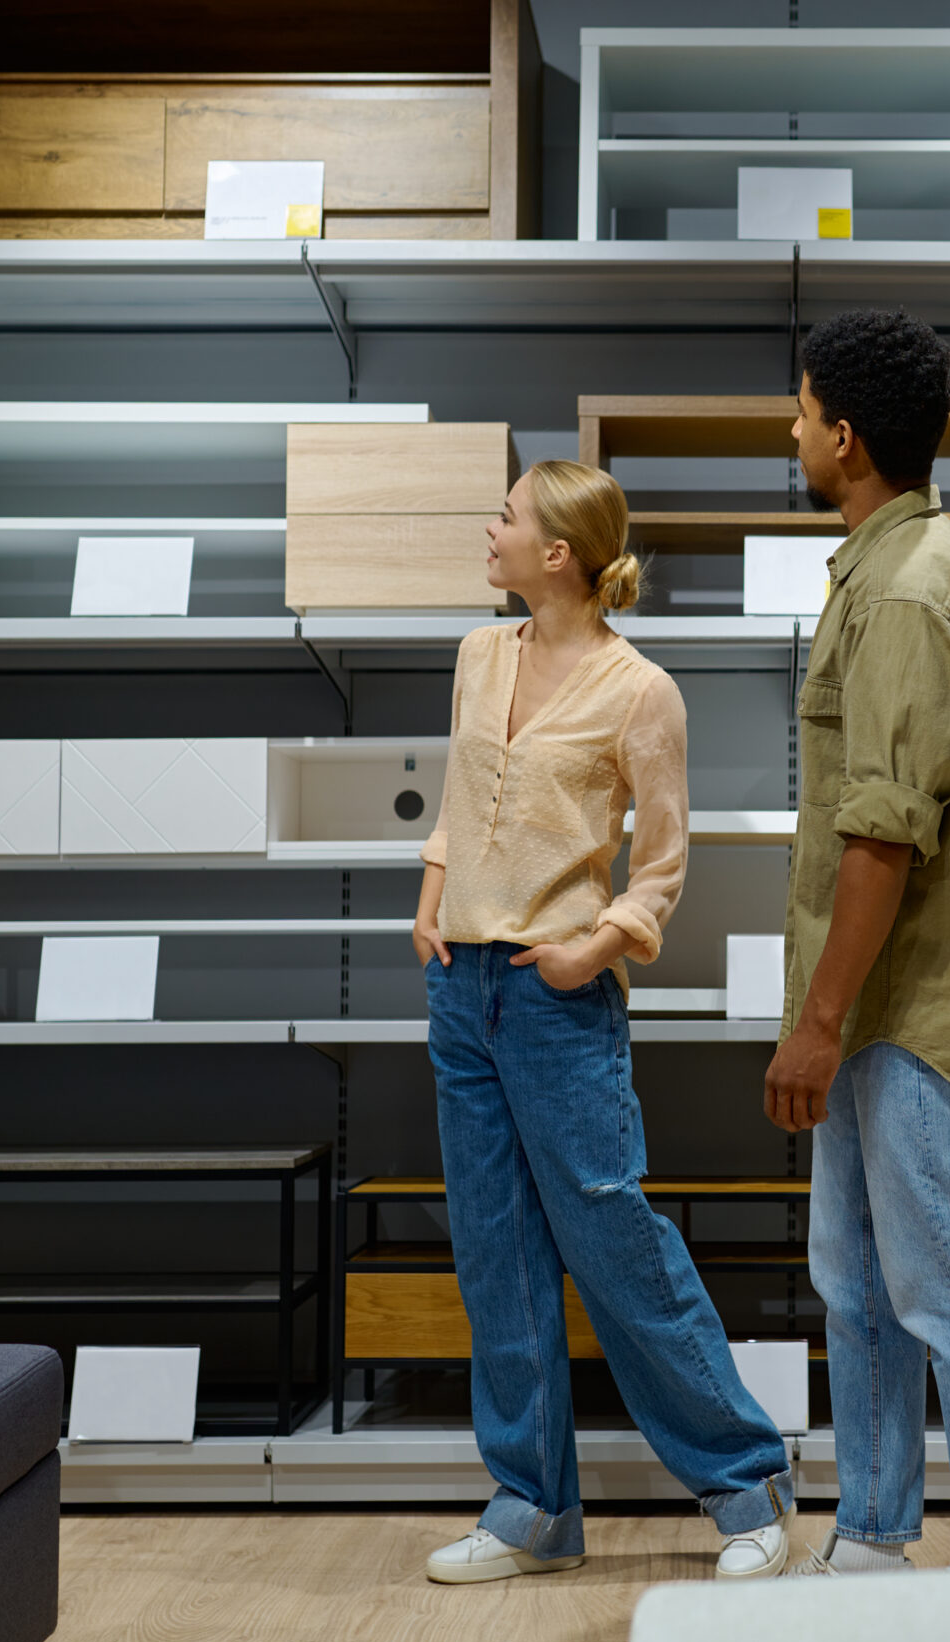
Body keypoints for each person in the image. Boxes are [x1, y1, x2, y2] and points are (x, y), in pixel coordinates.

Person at [412, 458, 798, 1585]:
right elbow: (456, 798)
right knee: (495, 1250)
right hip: (460, 989)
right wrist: (430, 898)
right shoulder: (480, 654)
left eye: (507, 517)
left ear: (557, 554)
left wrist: (599, 943)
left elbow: (665, 859)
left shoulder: (641, 689)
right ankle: (532, 1506)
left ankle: (748, 1484)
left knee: (613, 1240)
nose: (490, 530)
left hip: (555, 994)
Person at [763, 310, 950, 1572]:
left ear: (844, 434)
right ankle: (872, 1536)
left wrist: (817, 1022)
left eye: (800, 408)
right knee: (862, 1281)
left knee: (947, 1288)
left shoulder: (904, 589)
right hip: (883, 1005)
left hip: (902, 1008)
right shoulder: (938, 565)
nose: (790, 429)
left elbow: (881, 835)